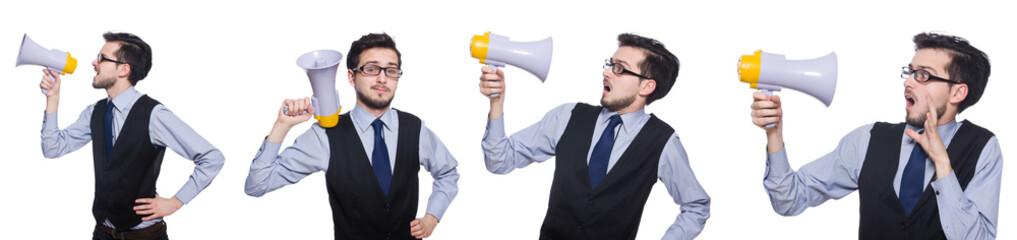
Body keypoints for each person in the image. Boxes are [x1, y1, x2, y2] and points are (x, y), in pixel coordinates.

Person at [750, 32, 1001, 239]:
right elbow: (788, 200)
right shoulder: (868, 140)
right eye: (910, 72)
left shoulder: (983, 148)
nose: (908, 82)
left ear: (957, 93)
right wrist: (774, 133)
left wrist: (943, 165)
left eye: (923, 75)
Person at [478, 33, 710, 240]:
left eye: (619, 68)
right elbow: (499, 161)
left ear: (646, 87)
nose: (606, 72)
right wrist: (496, 102)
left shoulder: (663, 142)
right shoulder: (566, 116)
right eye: (610, 64)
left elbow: (696, 206)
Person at [245, 33, 460, 239]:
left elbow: (448, 173)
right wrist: (282, 126)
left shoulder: (415, 128)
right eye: (371, 69)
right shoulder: (324, 136)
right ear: (352, 77)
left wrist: (432, 217)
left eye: (391, 71)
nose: (382, 78)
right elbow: (256, 186)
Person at [39, 32, 225, 240]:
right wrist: (52, 99)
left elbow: (212, 158)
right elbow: (52, 148)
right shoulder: (95, 112)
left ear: (123, 69)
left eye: (101, 58)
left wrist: (176, 202)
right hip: (102, 233)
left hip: (144, 236)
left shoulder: (154, 115)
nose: (94, 63)